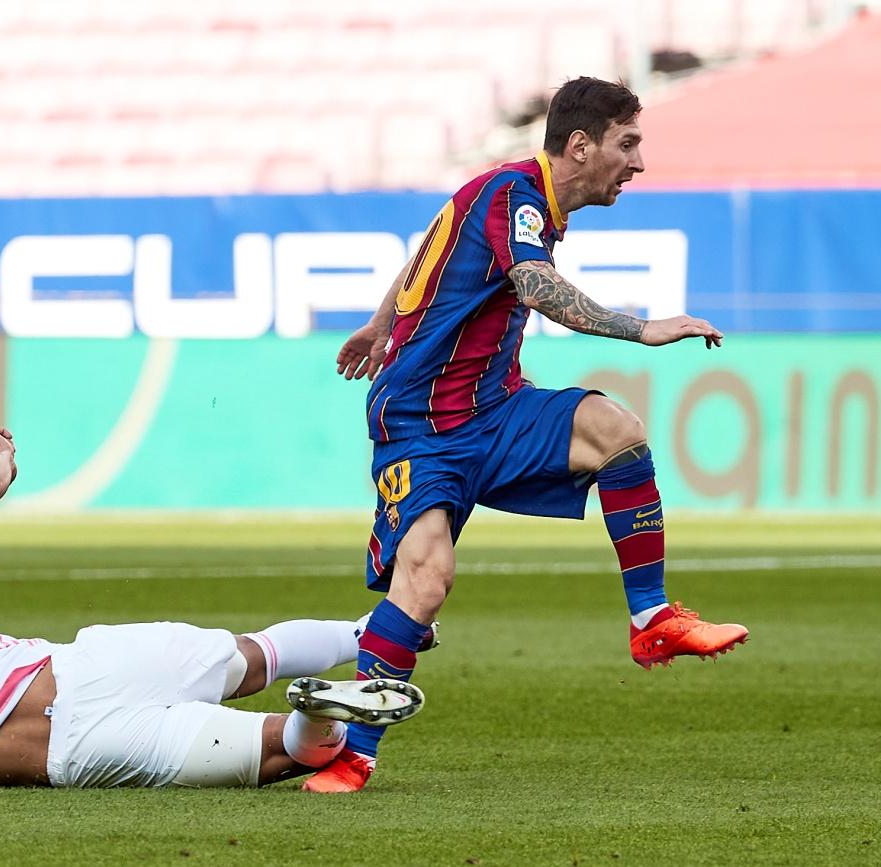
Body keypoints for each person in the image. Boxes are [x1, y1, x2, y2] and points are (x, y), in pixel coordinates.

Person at [318, 76, 748, 794]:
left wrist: (382, 320)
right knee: (425, 584)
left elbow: (433, 241)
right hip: (421, 427)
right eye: (628, 144)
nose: (638, 163)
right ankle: (352, 755)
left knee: (617, 431)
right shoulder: (515, 195)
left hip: (496, 410)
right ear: (581, 146)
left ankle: (652, 616)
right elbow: (536, 284)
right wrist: (643, 328)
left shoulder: (509, 198)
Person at [0, 426, 427, 789]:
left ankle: (316, 717)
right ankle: (372, 633)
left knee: (280, 753)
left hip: (83, 755)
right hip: (90, 668)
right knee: (251, 658)